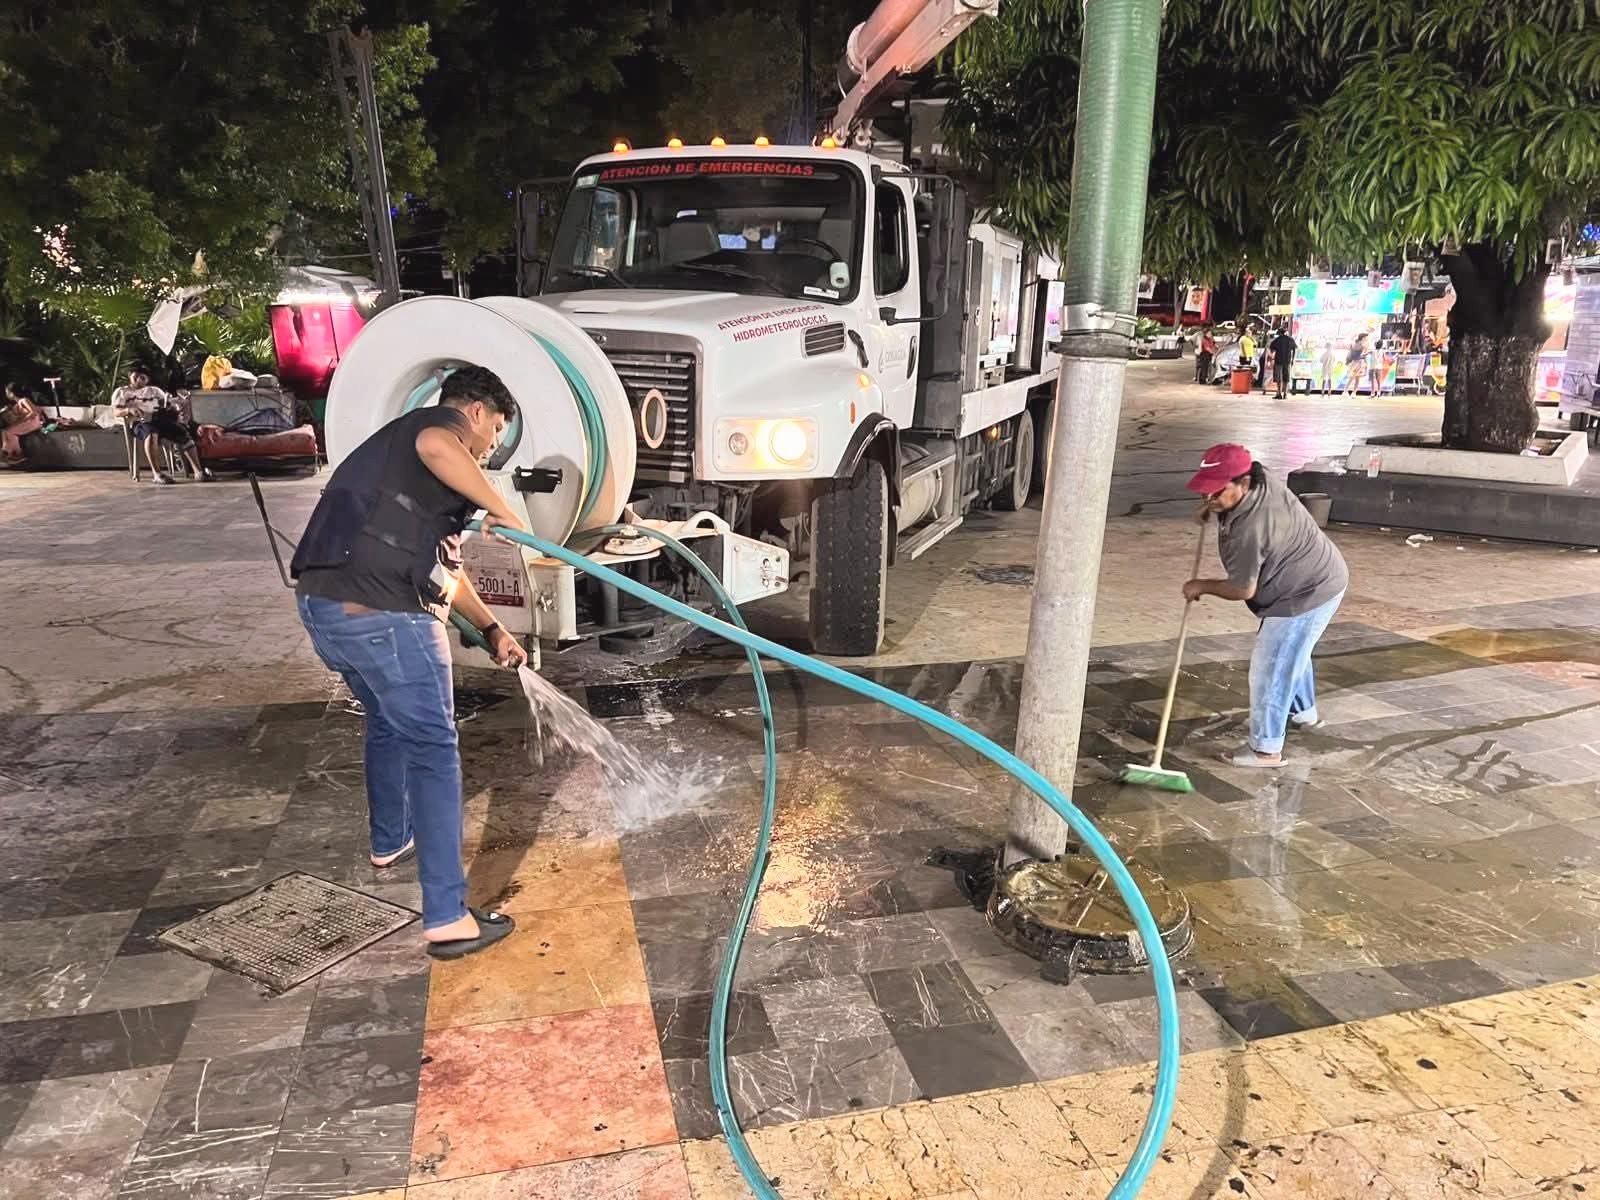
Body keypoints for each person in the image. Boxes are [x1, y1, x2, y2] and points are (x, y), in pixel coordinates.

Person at [292, 365, 530, 960]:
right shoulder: (433, 429)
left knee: (388, 723)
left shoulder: (406, 466)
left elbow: (445, 569)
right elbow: (437, 444)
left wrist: (491, 627)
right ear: (474, 412)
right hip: (383, 616)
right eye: (496, 430)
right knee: (433, 749)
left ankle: (388, 840)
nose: (492, 445)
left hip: (327, 611)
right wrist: (502, 509)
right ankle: (448, 917)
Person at [1182, 443, 1347, 768]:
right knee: (1292, 650)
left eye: (1215, 492)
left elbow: (1243, 588)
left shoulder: (1253, 528)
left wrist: (1202, 586)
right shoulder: (1258, 476)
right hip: (1316, 577)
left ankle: (1266, 750)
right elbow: (1224, 498)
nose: (1208, 498)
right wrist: (1213, 506)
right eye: (1205, 491)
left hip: (1305, 591)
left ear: (1243, 484)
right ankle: (1304, 714)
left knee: (1272, 665)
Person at [112, 368, 213, 483]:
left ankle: (198, 471)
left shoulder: (154, 391)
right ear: (130, 376)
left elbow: (168, 403)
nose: (138, 379)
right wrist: (129, 410)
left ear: (147, 380)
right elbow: (115, 412)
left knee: (182, 432)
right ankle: (157, 474)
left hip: (159, 419)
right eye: (135, 376)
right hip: (139, 422)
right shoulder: (122, 392)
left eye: (142, 377)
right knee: (151, 433)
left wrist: (173, 405)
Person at [1, 383, 46, 465]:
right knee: (6, 431)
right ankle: (9, 453)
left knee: (9, 432)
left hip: (33, 422)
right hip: (28, 423)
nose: (6, 394)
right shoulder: (16, 405)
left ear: (12, 393)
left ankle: (16, 454)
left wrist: (20, 421)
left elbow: (34, 412)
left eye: (7, 392)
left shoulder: (24, 400)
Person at [1269, 326, 1297, 399]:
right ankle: (1285, 394)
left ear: (1279, 333)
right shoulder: (1290, 339)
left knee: (1279, 378)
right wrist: (1292, 359)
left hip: (1278, 361)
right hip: (1287, 361)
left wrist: (1271, 356)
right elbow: (1294, 349)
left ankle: (1279, 393)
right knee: (1286, 377)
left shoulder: (1277, 340)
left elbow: (1271, 350)